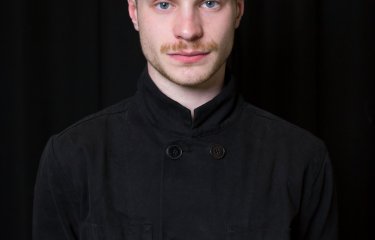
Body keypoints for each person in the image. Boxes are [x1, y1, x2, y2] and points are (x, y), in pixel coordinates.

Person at [33, 0, 338, 239]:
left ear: (238, 11)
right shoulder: (72, 157)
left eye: (209, 3)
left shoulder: (302, 159)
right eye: (164, 4)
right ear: (134, 13)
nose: (189, 30)